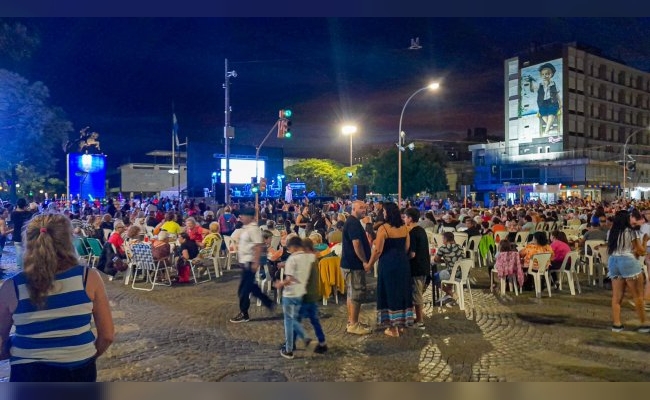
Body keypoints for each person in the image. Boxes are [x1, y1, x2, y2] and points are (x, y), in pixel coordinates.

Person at [0, 213, 114, 382]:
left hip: (28, 373)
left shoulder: (12, 286)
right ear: (68, 241)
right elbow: (107, 335)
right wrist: (87, 354)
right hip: (78, 369)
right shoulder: (88, 278)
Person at [366, 202, 413, 337]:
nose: (384, 214)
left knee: (389, 292)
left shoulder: (384, 229)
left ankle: (392, 328)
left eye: (385, 212)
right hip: (403, 264)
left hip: (388, 264)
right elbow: (406, 247)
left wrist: (369, 264)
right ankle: (402, 324)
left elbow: (378, 250)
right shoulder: (404, 228)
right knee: (402, 291)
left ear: (388, 213)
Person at [229, 208, 275, 323]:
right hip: (246, 261)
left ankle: (244, 314)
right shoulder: (246, 228)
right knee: (249, 287)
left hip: (250, 261)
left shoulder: (254, 229)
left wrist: (255, 262)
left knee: (244, 290)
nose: (241, 217)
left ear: (250, 217)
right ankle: (267, 302)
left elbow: (258, 246)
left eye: (243, 215)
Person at [607, 210, 649, 332]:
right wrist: (645, 240)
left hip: (613, 261)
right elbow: (640, 252)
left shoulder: (612, 232)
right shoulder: (631, 232)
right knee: (638, 296)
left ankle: (617, 324)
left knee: (616, 297)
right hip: (628, 261)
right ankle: (644, 324)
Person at [274, 236, 314, 359]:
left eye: (289, 247)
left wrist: (280, 284)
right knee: (295, 320)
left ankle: (289, 349)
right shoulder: (308, 257)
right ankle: (303, 342)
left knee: (289, 321)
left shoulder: (292, 258)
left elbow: (290, 279)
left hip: (290, 293)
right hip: (301, 292)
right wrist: (284, 264)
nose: (288, 250)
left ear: (294, 247)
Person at [341, 200, 372, 335]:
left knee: (351, 294)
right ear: (353, 209)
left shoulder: (353, 222)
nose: (364, 210)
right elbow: (357, 244)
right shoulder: (353, 223)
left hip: (349, 264)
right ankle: (353, 324)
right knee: (356, 295)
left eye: (365, 208)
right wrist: (365, 261)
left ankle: (352, 320)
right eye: (361, 208)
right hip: (353, 265)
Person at [298, 238, 328, 354]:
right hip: (313, 295)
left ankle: (290, 345)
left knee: (296, 320)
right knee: (314, 320)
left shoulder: (307, 261)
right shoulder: (314, 259)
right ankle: (322, 342)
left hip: (306, 296)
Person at [404, 207, 429, 329]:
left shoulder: (412, 233)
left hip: (416, 267)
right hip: (424, 266)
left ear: (410, 218)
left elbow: (412, 253)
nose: (404, 219)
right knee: (417, 293)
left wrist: (404, 258)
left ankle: (420, 321)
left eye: (405, 217)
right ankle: (415, 317)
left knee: (416, 294)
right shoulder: (421, 230)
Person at [528, 62, 562, 136]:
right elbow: (532, 90)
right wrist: (531, 82)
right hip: (542, 103)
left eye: (547, 74)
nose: (544, 76)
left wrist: (561, 104)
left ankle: (546, 132)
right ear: (541, 75)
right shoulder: (539, 85)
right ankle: (550, 126)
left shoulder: (554, 84)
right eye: (543, 74)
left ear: (551, 74)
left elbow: (557, 95)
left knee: (551, 114)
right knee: (543, 113)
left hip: (552, 102)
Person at [432, 232, 466, 304]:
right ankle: (448, 296)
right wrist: (446, 260)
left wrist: (442, 260)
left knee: (434, 277)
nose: (442, 241)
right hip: (464, 274)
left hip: (454, 274)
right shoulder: (459, 247)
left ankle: (451, 294)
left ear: (445, 239)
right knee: (448, 271)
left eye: (443, 239)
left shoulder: (443, 248)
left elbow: (435, 260)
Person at [10, 198, 33, 269]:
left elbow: (12, 225)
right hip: (27, 234)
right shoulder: (29, 214)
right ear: (25, 205)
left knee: (18, 252)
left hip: (17, 234)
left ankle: (19, 267)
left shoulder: (13, 213)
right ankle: (28, 265)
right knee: (28, 251)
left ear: (17, 205)